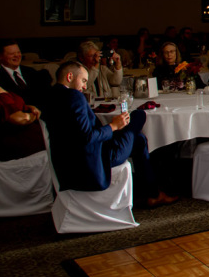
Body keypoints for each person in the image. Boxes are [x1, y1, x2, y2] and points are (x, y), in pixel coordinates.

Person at [44, 61, 176, 206]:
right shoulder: (73, 96)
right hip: (95, 160)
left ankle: (152, 193)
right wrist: (113, 126)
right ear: (70, 77)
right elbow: (86, 137)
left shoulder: (50, 96)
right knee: (139, 115)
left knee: (139, 139)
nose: (84, 86)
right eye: (83, 81)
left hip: (69, 164)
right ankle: (154, 191)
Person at [0, 39, 50, 106]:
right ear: (0, 56)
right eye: (11, 54)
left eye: (18, 52)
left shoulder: (31, 72)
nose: (17, 55)